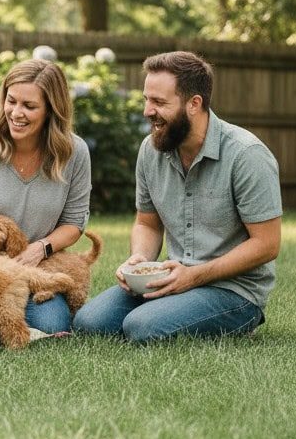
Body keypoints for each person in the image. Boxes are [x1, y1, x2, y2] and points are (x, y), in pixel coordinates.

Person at [74, 51, 281, 343]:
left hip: (233, 291)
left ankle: (235, 320)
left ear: (194, 104)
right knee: (89, 323)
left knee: (142, 328)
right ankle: (169, 308)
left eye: (159, 102)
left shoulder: (247, 155)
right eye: (147, 99)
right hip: (171, 279)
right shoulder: (151, 149)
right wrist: (139, 261)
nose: (147, 110)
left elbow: (267, 245)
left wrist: (194, 276)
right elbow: (147, 223)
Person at [0, 57, 92, 333]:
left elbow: (73, 224)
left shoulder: (75, 153)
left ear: (51, 110)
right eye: (11, 101)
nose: (16, 113)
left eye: (29, 106)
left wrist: (40, 248)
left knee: (51, 323)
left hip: (33, 271)